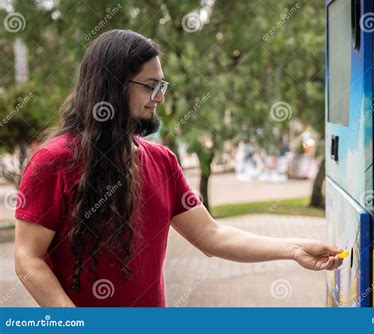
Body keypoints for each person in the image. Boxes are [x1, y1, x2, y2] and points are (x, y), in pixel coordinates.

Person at [14, 29, 343, 307]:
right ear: (112, 85)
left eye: (162, 86)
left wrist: (295, 248)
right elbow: (27, 258)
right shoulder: (53, 161)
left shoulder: (162, 161)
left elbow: (212, 236)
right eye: (149, 85)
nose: (159, 98)